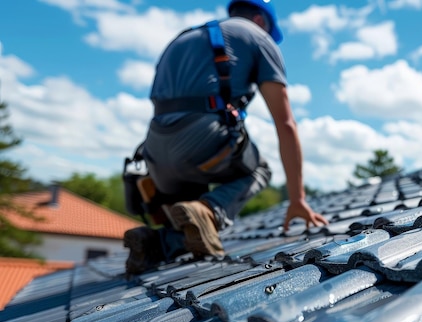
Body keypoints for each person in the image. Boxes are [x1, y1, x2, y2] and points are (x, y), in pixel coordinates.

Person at [123, 0, 328, 275]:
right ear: (260, 20)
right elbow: (286, 123)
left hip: (155, 152)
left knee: (193, 230)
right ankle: (210, 209)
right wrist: (297, 199)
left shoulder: (184, 38)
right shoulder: (258, 38)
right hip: (203, 142)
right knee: (259, 168)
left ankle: (153, 243)